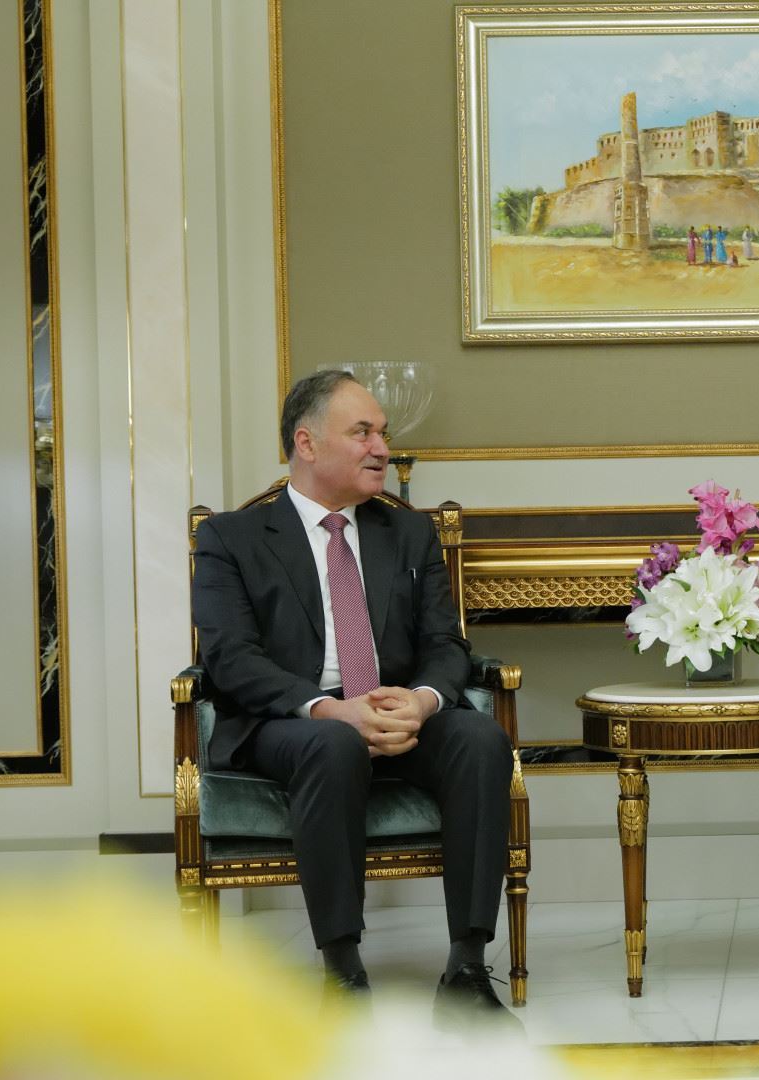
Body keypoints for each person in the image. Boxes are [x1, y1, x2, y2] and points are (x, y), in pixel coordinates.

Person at [192, 369, 517, 1028]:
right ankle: (343, 973)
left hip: (396, 708)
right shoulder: (232, 538)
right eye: (363, 433)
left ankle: (465, 969)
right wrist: (330, 708)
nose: (381, 449)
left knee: (480, 739)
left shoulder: (409, 533)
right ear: (307, 443)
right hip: (293, 720)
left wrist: (422, 701)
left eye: (383, 434)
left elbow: (445, 643)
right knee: (333, 744)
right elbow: (229, 658)